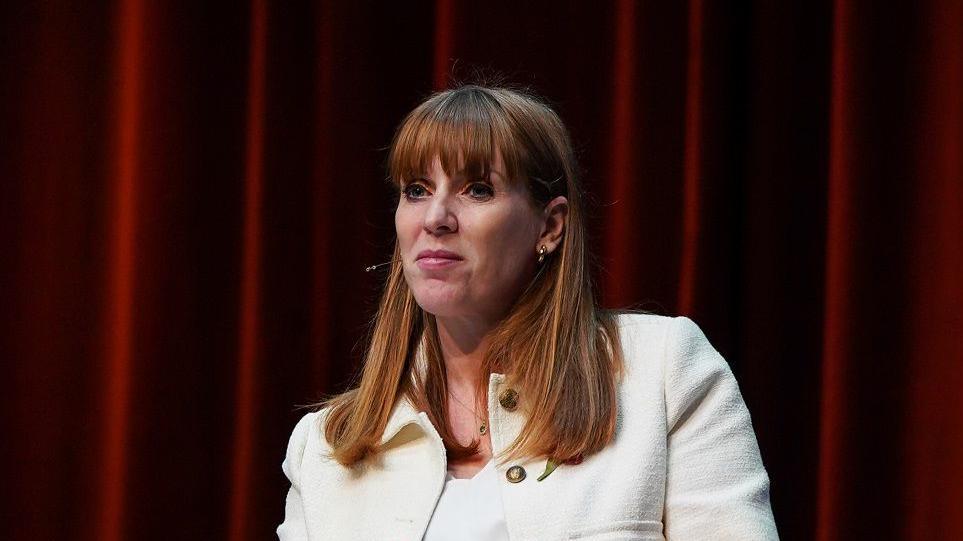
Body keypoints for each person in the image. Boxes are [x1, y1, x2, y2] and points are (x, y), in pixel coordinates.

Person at [277, 84, 778, 540]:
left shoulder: (664, 375)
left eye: (478, 189)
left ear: (550, 226)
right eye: (417, 190)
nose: (435, 218)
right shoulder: (323, 448)